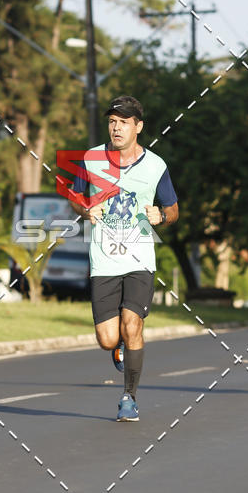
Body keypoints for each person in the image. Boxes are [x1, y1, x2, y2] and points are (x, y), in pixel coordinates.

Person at [69, 95, 179, 421]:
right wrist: (85, 207)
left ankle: (129, 396)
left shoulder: (156, 165)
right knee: (107, 339)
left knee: (133, 325)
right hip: (104, 259)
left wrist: (161, 215)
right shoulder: (91, 159)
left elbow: (173, 209)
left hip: (140, 259)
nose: (116, 128)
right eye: (112, 122)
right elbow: (75, 198)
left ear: (138, 127)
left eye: (124, 122)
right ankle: (118, 345)